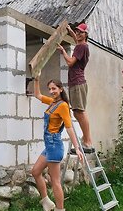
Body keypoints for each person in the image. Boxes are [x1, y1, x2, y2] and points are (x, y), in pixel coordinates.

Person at [31, 74, 83, 211]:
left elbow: (69, 127)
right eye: (50, 89)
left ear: (60, 89)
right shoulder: (52, 102)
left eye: (54, 88)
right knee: (35, 172)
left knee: (55, 181)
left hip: (54, 145)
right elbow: (37, 95)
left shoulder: (63, 106)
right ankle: (46, 202)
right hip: (49, 145)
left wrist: (77, 147)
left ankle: (60, 209)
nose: (51, 91)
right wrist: (37, 78)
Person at [57, 21, 94, 152]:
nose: (78, 34)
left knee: (79, 112)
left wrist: (63, 51)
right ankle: (86, 139)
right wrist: (70, 30)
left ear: (86, 34)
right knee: (78, 111)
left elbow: (70, 62)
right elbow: (75, 39)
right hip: (77, 83)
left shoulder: (81, 47)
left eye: (80, 32)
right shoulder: (82, 45)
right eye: (77, 31)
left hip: (77, 83)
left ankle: (88, 141)